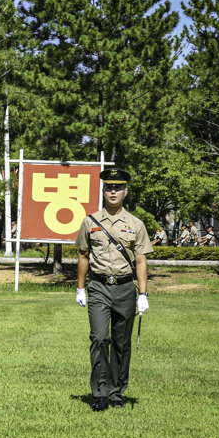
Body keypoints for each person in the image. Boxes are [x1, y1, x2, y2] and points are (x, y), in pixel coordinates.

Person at [74, 168, 152, 411]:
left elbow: (141, 260)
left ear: (125, 192)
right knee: (99, 338)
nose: (113, 191)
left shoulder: (135, 224)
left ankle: (117, 392)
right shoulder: (90, 221)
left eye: (118, 187)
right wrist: (80, 288)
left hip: (125, 288)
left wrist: (142, 293)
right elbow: (83, 255)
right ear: (103, 191)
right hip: (98, 287)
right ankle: (100, 392)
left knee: (121, 342)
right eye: (109, 187)